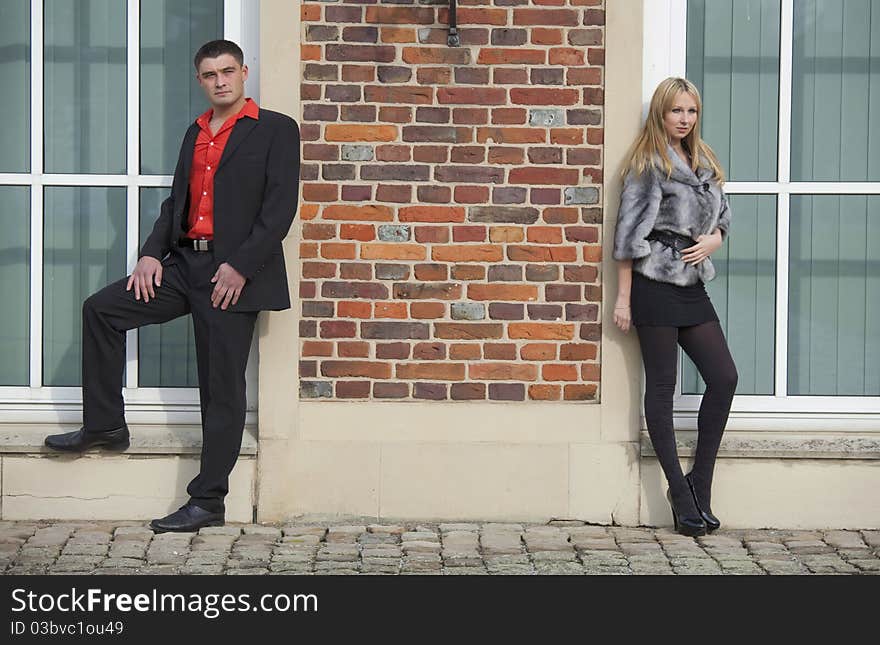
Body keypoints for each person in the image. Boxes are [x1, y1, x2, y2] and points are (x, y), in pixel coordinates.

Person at [44, 40, 301, 533]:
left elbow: (278, 210)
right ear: (200, 80)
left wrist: (241, 266)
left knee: (219, 390)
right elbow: (175, 204)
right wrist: (149, 253)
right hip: (185, 265)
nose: (221, 80)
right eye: (210, 74)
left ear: (244, 73)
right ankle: (105, 425)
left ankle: (208, 502)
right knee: (102, 309)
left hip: (233, 278)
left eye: (228, 71)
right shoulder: (196, 132)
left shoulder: (275, 130)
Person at [612, 77, 737, 537]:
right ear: (660, 114)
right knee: (662, 387)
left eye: (691, 112)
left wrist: (715, 240)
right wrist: (624, 298)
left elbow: (723, 218)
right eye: (676, 111)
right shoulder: (648, 165)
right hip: (654, 284)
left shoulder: (703, 162)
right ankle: (680, 496)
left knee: (725, 377)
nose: (684, 120)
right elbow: (627, 238)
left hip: (692, 285)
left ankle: (699, 485)